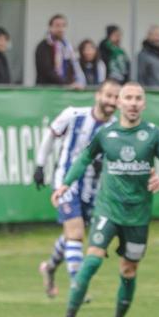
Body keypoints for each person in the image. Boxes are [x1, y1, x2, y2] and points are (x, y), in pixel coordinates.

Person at [52, 82, 159, 317]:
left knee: (128, 270)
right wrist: (65, 184)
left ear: (144, 103)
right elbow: (84, 159)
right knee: (93, 259)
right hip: (107, 209)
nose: (132, 103)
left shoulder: (154, 135)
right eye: (127, 98)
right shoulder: (106, 134)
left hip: (138, 215)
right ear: (118, 102)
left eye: (137, 98)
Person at [33, 79, 121, 297]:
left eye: (115, 97)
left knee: (72, 235)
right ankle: (78, 285)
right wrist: (40, 165)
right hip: (66, 183)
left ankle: (49, 268)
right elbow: (50, 135)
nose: (111, 101)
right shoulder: (73, 115)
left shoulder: (116, 127)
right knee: (76, 233)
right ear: (97, 95)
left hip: (93, 188)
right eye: (108, 95)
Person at [34, 14, 82, 87]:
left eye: (63, 25)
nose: (60, 29)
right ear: (50, 27)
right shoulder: (44, 46)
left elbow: (72, 67)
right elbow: (47, 71)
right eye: (57, 25)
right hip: (47, 90)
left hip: (66, 89)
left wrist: (73, 83)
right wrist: (66, 84)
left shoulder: (68, 47)